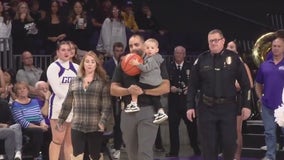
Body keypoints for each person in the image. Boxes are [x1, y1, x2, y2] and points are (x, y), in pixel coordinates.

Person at [186, 29, 251, 160]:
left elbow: (246, 85)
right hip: (206, 108)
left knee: (229, 144)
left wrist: (247, 105)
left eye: (217, 40)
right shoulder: (201, 59)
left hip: (228, 108)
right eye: (211, 41)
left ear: (223, 41)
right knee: (208, 146)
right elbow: (192, 86)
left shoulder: (234, 59)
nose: (214, 43)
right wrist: (190, 106)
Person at [110, 34, 170, 160]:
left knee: (145, 152)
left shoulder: (155, 61)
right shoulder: (123, 62)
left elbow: (165, 87)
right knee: (132, 153)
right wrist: (128, 90)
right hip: (127, 111)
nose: (133, 47)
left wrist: (143, 91)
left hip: (149, 111)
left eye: (137, 44)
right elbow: (113, 89)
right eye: (131, 45)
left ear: (144, 45)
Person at [56, 51, 112, 160]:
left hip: (95, 125)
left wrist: (102, 121)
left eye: (92, 62)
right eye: (87, 61)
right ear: (83, 64)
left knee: (94, 156)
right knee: (77, 156)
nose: (90, 64)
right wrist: (61, 120)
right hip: (77, 125)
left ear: (96, 64)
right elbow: (67, 103)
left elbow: (107, 105)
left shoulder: (102, 82)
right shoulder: (74, 81)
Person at [47, 41, 79, 160]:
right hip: (58, 107)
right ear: (57, 52)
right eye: (63, 50)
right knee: (57, 140)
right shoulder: (53, 67)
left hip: (74, 107)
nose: (66, 52)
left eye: (68, 50)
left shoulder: (76, 67)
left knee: (70, 142)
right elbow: (56, 89)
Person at [166, 45, 200, 157]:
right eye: (176, 53)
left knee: (192, 128)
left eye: (181, 53)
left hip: (187, 103)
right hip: (173, 103)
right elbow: (164, 82)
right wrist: (169, 88)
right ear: (174, 54)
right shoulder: (168, 67)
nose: (179, 55)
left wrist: (190, 88)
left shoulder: (191, 67)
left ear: (184, 55)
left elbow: (197, 82)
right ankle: (174, 152)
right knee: (173, 129)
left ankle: (196, 148)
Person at [255, 36, 284, 160]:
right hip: (267, 105)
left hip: (283, 106)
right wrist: (260, 98)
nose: (276, 48)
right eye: (274, 46)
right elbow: (257, 83)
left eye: (279, 46)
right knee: (269, 132)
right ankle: (270, 156)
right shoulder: (264, 65)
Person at [128, 38, 168, 124]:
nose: (149, 50)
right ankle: (161, 112)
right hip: (155, 82)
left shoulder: (152, 59)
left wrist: (137, 64)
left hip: (150, 81)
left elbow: (146, 69)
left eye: (152, 48)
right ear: (144, 49)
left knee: (134, 87)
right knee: (155, 99)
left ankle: (134, 104)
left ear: (157, 50)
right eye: (147, 48)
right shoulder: (153, 57)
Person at [227, 40, 254, 160]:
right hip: (224, 101)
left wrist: (236, 84)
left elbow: (250, 84)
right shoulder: (224, 63)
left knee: (236, 130)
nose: (228, 48)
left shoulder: (242, 64)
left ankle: (236, 157)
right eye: (227, 46)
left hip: (237, 100)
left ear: (237, 50)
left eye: (231, 47)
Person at [11, 81, 48, 160]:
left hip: (37, 124)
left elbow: (40, 116)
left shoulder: (34, 101)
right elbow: (23, 122)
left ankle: (47, 156)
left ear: (28, 90)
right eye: (19, 89)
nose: (22, 90)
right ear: (16, 92)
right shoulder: (15, 104)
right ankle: (36, 156)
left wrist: (43, 124)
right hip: (24, 127)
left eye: (24, 88)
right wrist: (40, 128)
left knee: (50, 131)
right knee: (38, 131)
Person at [103, 42, 124, 159]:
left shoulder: (127, 64)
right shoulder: (107, 64)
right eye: (117, 51)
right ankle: (107, 146)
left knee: (120, 124)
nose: (119, 53)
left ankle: (117, 147)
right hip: (110, 98)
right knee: (110, 123)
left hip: (122, 98)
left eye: (121, 51)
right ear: (113, 51)